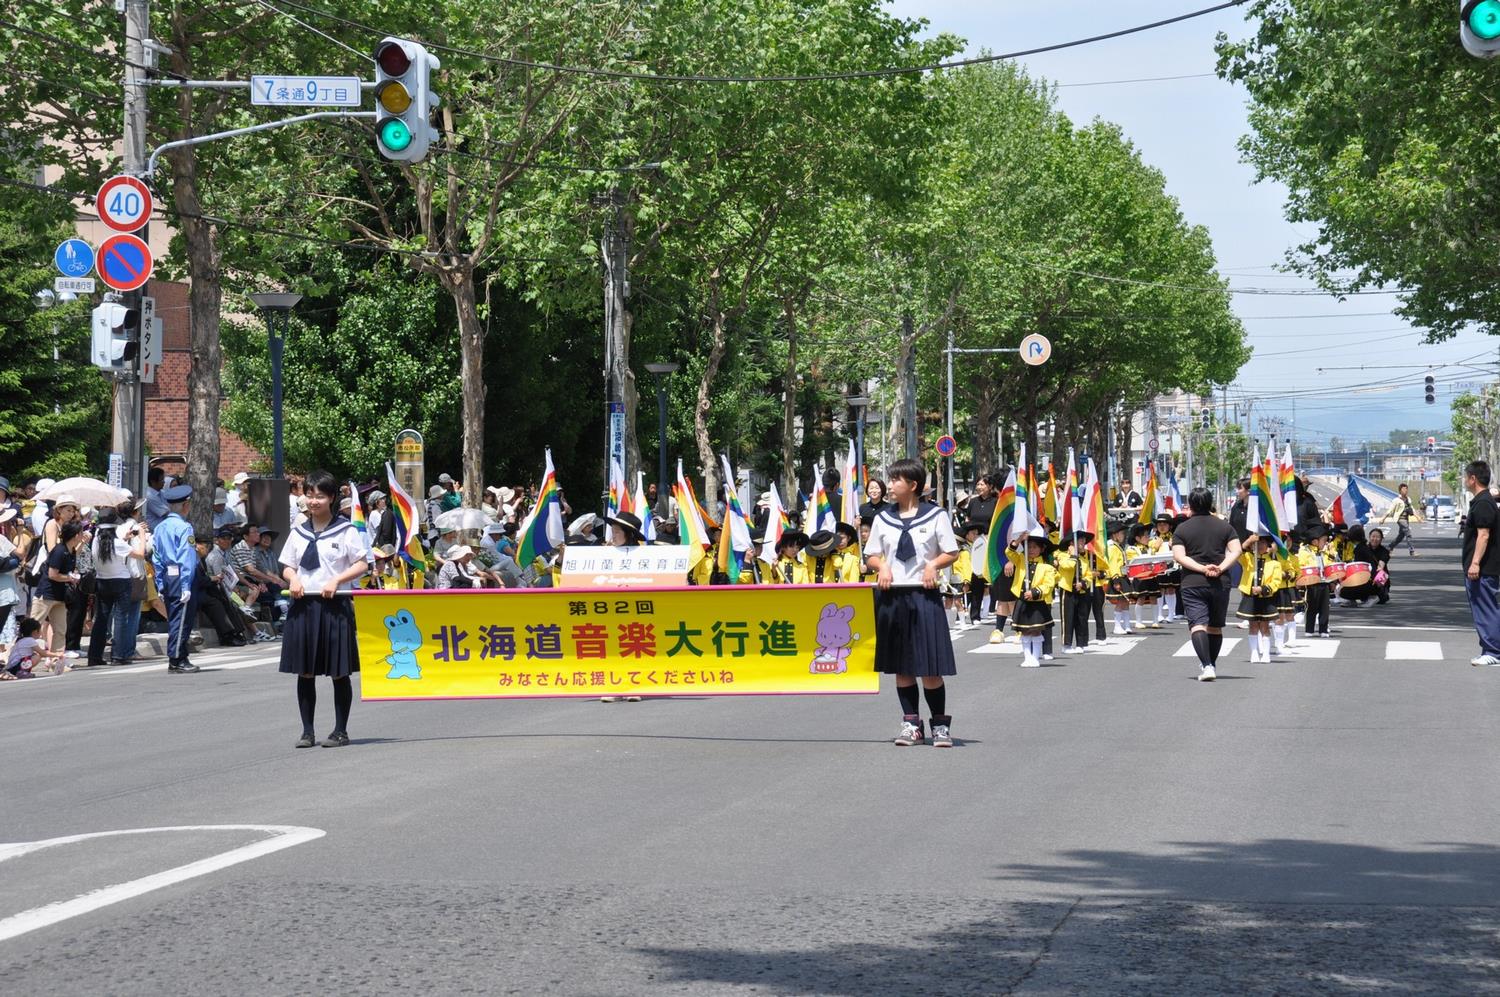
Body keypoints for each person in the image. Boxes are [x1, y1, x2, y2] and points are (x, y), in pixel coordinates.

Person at [864, 458, 960, 748]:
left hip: (924, 594)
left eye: (895, 481)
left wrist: (933, 566)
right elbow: (872, 555)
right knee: (902, 665)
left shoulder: (935, 515)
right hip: (892, 596)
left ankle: (940, 726)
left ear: (913, 485)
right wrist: (881, 567)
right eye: (890, 480)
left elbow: (951, 551)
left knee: (930, 666)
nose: (889, 486)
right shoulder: (883, 518)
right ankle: (911, 724)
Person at [279, 470, 370, 748]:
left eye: (320, 496)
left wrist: (338, 580)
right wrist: (293, 579)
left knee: (338, 671)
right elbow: (287, 565)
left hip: (335, 606)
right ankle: (307, 732)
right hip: (304, 606)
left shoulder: (346, 530)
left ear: (331, 497)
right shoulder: (298, 531)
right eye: (309, 495)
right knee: (304, 671)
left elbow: (361, 564)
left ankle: (340, 731)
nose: (314, 501)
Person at [1171, 488, 1242, 682]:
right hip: (1220, 582)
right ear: (1210, 503)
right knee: (1215, 627)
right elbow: (1236, 551)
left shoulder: (1182, 529)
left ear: (1191, 505)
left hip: (1192, 582)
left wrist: (1202, 569)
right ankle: (1211, 664)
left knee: (1197, 625)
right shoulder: (1224, 526)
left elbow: (1179, 556)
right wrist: (1219, 567)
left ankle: (1207, 665)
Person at [88, 509, 147, 667]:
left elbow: (111, 544)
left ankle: (94, 656)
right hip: (121, 582)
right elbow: (141, 554)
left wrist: (125, 539)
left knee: (101, 619)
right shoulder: (118, 543)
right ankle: (118, 655)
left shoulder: (96, 540)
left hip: (102, 581)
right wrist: (141, 536)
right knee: (121, 619)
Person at [152, 483, 201, 673]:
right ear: (185, 505)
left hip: (168, 574)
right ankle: (176, 658)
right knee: (182, 619)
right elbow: (186, 558)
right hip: (181, 575)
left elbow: (156, 557)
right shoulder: (184, 527)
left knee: (175, 617)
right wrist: (186, 584)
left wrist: (161, 583)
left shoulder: (160, 527)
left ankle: (181, 655)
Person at [1461, 461, 1500, 667]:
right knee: (1483, 608)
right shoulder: (1482, 501)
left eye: (1465, 476)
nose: (1464, 480)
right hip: (1482, 568)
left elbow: (1483, 535)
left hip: (1483, 568)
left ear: (1473, 478)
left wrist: (1475, 563)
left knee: (1486, 608)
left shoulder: (1483, 503)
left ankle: (1494, 650)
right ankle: (1489, 649)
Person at [1007, 528, 1058, 668]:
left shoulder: (1046, 567)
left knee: (1035, 630)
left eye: (1035, 547)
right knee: (1024, 630)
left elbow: (1048, 585)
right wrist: (1019, 539)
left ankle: (1035, 657)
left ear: (1041, 549)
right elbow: (1009, 552)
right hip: (1022, 601)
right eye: (1029, 547)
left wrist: (1035, 592)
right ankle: (1027, 657)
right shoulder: (1020, 560)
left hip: (1037, 602)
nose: (1031, 550)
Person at [1237, 534, 1285, 663]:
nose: (1259, 545)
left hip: (1266, 598)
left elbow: (1276, 582)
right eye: (1257, 543)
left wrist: (1263, 589)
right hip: (1250, 597)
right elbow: (1237, 553)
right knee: (1253, 626)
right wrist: (1248, 540)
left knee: (1264, 626)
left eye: (1263, 543)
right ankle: (1254, 653)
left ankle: (1266, 654)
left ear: (1268, 545)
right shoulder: (1248, 558)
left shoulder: (1275, 563)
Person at [1297, 524, 1335, 638]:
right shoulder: (1305, 551)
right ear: (1314, 541)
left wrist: (1333, 581)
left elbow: (1329, 565)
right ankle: (1309, 629)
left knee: (1325, 607)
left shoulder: (1324, 552)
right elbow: (1301, 565)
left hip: (1324, 583)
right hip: (1311, 583)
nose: (1326, 543)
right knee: (1311, 607)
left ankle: (1323, 629)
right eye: (1324, 540)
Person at [1378, 482, 1421, 557]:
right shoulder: (1396, 500)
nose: (1405, 490)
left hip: (1406, 519)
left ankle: (1389, 548)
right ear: (1400, 490)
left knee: (1400, 536)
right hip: (1400, 519)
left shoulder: (1408, 499)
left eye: (1406, 489)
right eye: (1404, 489)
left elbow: (1412, 509)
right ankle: (1412, 551)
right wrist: (1383, 518)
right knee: (1408, 533)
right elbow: (1390, 510)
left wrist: (1417, 517)